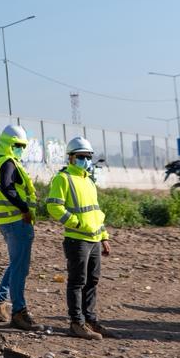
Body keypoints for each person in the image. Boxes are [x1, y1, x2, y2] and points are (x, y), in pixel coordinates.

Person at [46, 137, 114, 340]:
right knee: (77, 281)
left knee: (92, 280)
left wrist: (104, 237)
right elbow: (53, 206)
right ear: (71, 157)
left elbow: (96, 212)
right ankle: (77, 323)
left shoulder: (89, 180)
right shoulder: (63, 178)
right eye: (81, 156)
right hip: (77, 239)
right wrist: (75, 223)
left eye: (88, 157)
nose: (85, 160)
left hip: (94, 240)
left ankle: (90, 320)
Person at [0, 124, 39, 330]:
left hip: (8, 220)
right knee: (20, 267)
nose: (21, 149)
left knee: (16, 264)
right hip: (17, 220)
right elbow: (8, 188)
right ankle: (19, 311)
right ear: (9, 144)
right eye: (18, 145)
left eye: (22, 146)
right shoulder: (7, 162)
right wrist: (25, 208)